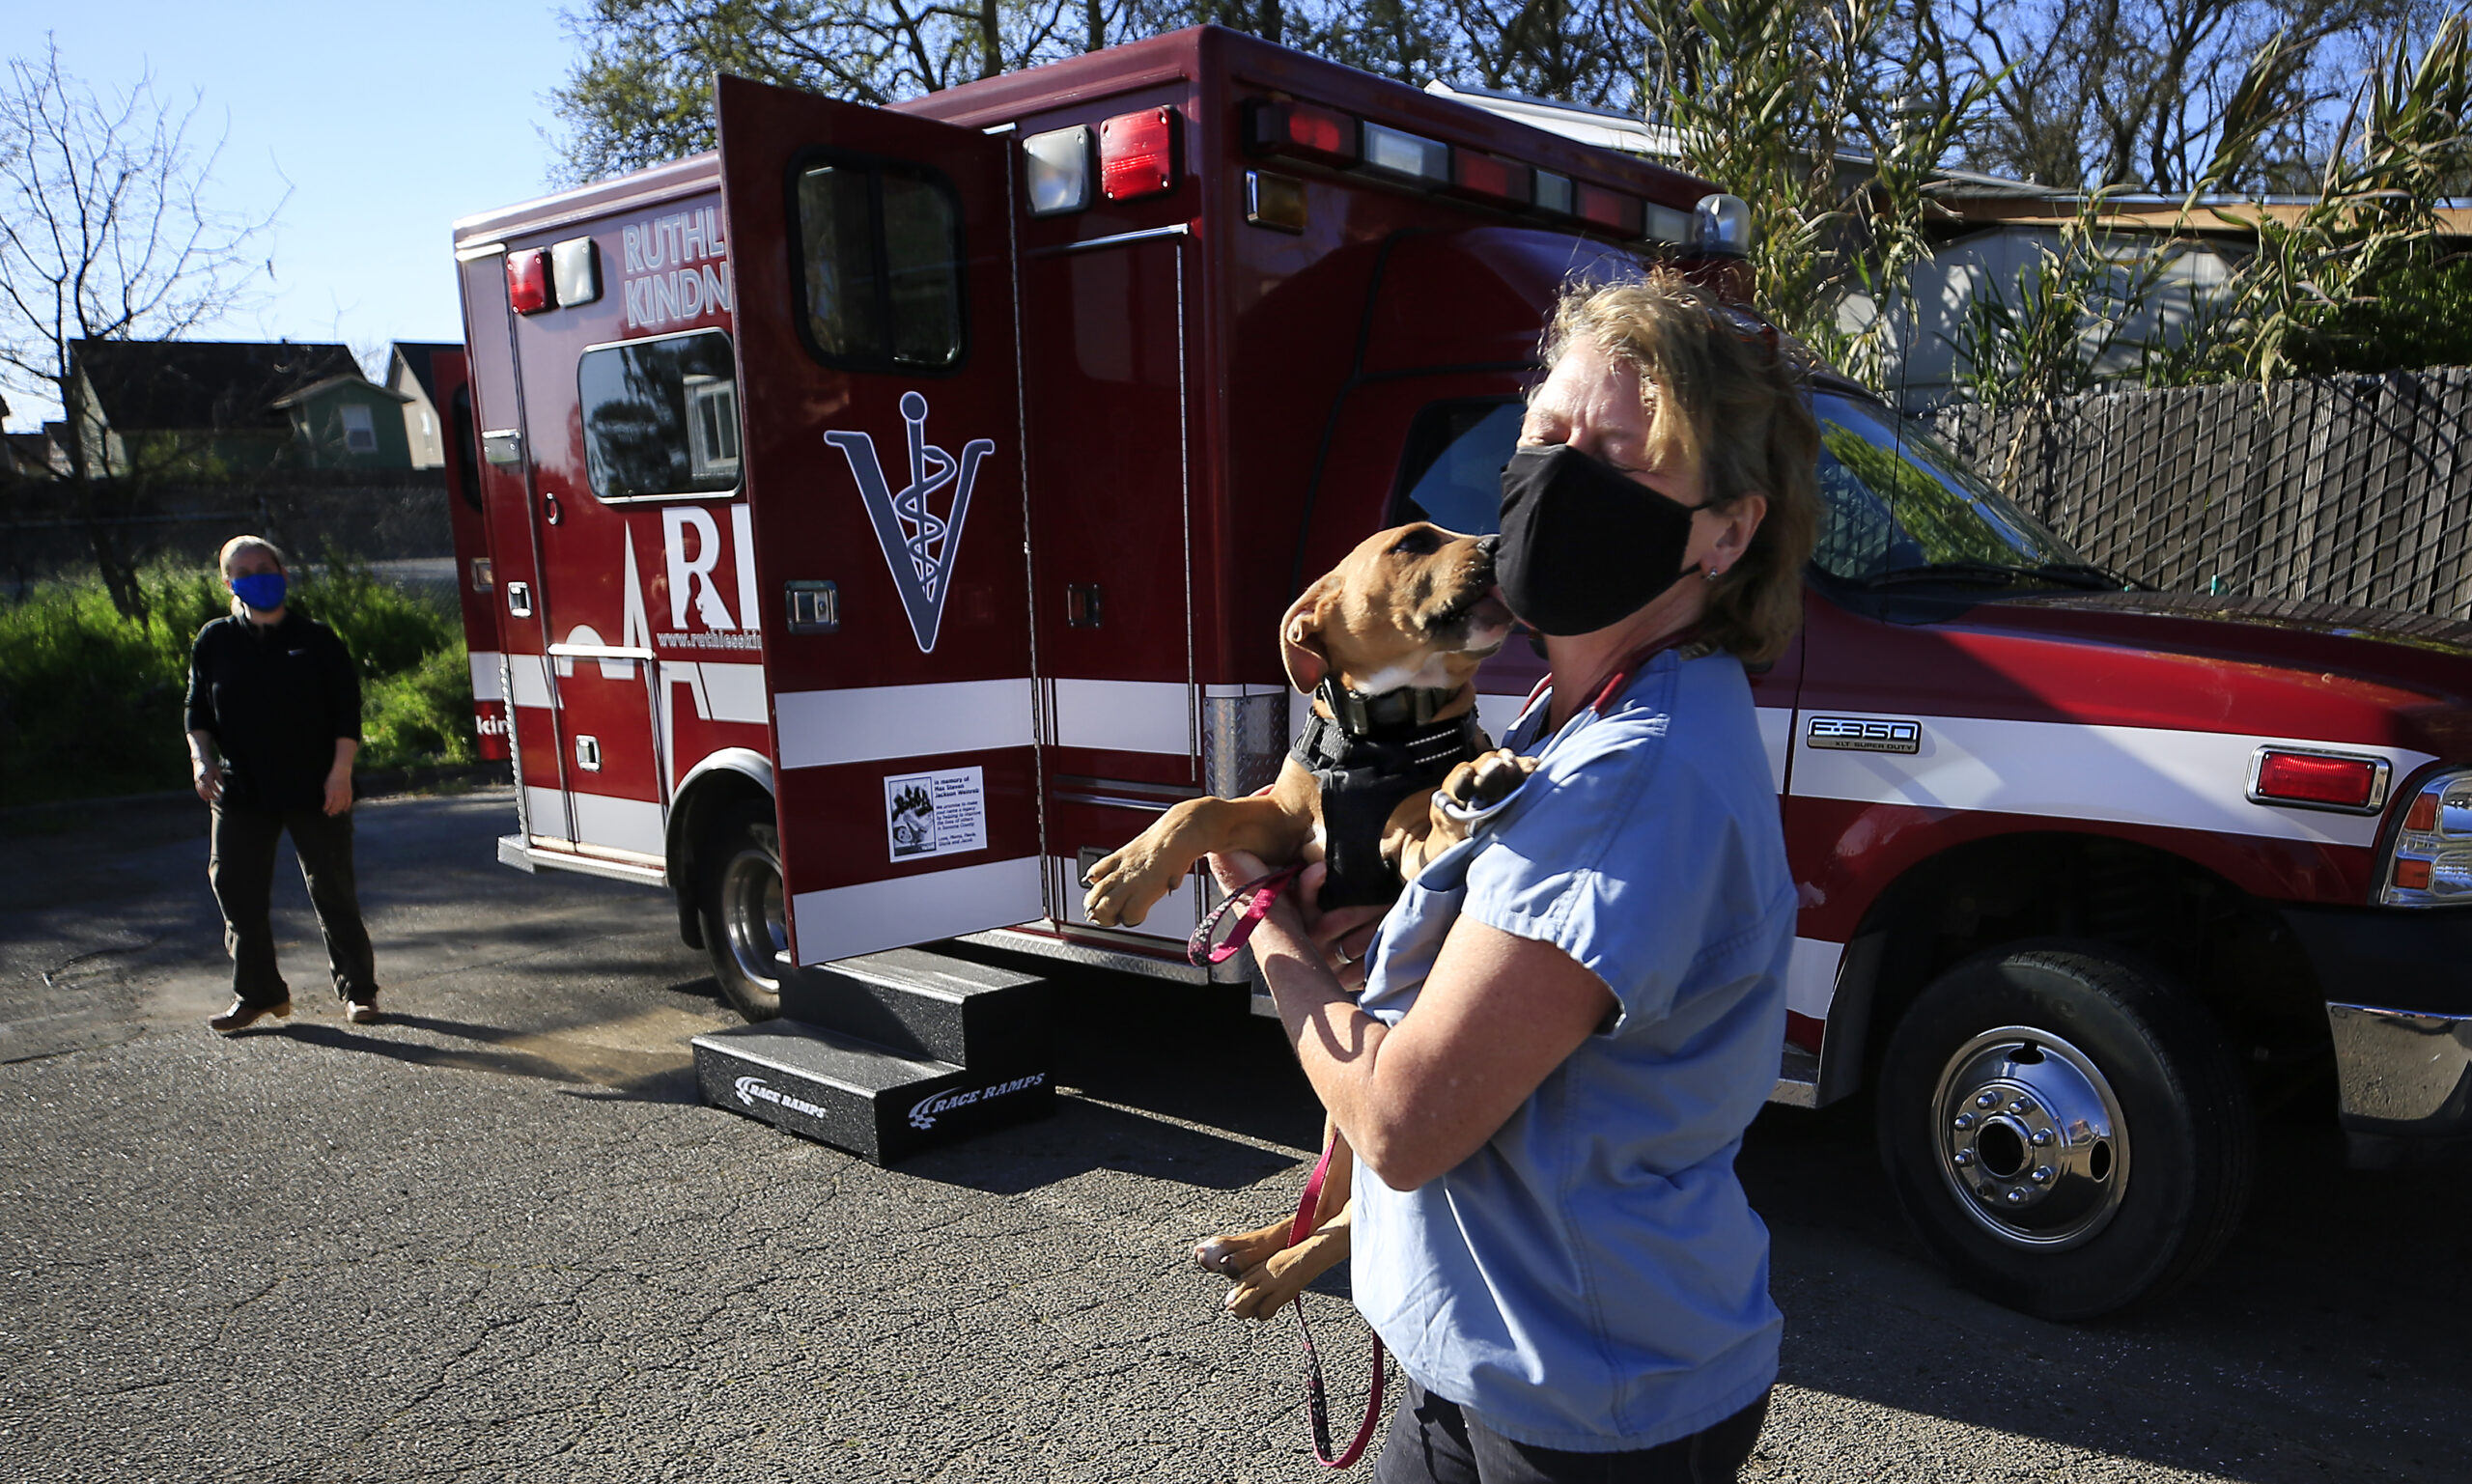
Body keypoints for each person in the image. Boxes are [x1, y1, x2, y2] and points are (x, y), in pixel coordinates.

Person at [1212, 272, 1819, 1482]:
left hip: (1583, 1402)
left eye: (1617, 455)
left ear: (1726, 529)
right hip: (1483, 1351)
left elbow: (1398, 1122)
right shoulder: (1561, 713)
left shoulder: (1629, 777)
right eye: (1547, 435)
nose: (1558, 474)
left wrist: (1261, 916)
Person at [185, 535, 382, 1031]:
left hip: (315, 785)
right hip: (241, 788)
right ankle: (258, 994)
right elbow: (197, 712)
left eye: (265, 566)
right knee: (234, 887)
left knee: (332, 889)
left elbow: (346, 714)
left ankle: (359, 992)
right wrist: (200, 759)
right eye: (245, 571)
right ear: (229, 583)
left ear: (284, 572)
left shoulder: (317, 640)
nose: (258, 576)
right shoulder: (214, 640)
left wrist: (341, 774)